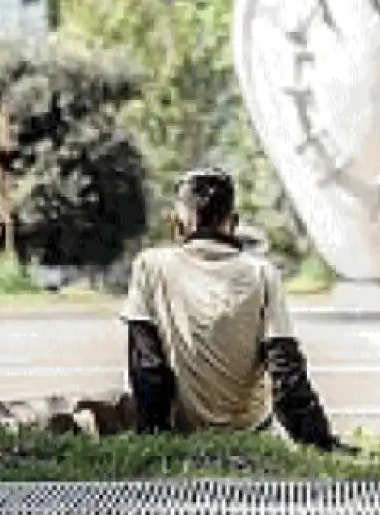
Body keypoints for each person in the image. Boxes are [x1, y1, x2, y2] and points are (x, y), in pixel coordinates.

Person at [120, 167, 356, 453]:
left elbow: (147, 366)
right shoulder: (261, 273)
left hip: (181, 428)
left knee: (109, 404)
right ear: (233, 222)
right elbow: (286, 372)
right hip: (250, 429)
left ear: (178, 225)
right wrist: (322, 443)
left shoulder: (151, 267)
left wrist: (154, 438)